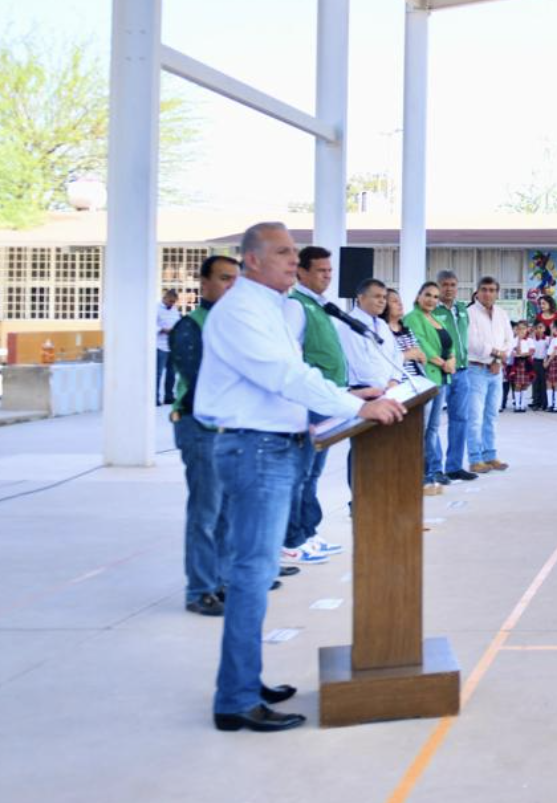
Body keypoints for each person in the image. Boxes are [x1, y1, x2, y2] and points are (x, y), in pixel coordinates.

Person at [195, 222, 403, 732]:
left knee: (255, 572)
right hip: (254, 447)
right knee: (252, 573)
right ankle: (236, 698)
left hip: (276, 444)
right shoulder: (241, 312)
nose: (294, 260)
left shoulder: (275, 309)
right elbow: (285, 377)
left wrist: (350, 403)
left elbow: (294, 379)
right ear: (252, 261)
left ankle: (245, 679)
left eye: (294, 252)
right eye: (283, 252)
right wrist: (356, 406)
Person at [170, 255, 240, 616]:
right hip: (201, 429)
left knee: (227, 512)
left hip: (230, 430)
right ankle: (200, 589)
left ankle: (221, 581)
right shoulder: (191, 326)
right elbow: (201, 387)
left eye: (235, 280)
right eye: (224, 278)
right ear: (204, 283)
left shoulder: (234, 325)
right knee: (206, 511)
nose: (231, 286)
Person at [283, 247, 350, 567]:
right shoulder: (297, 306)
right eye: (320, 270)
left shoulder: (321, 306)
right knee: (301, 472)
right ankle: (293, 539)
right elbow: (292, 357)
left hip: (326, 401)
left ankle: (308, 531)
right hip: (308, 403)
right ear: (302, 273)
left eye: (329, 270)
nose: (327, 275)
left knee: (313, 473)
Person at [406, 282, 456, 491]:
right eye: (427, 295)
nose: (432, 300)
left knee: (433, 429)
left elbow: (449, 342)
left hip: (442, 379)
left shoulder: (435, 318)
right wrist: (442, 362)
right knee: (422, 428)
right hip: (427, 377)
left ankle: (432, 470)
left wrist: (452, 358)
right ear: (418, 296)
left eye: (435, 297)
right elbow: (420, 343)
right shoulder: (412, 318)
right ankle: (418, 472)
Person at [464, 277, 514, 472]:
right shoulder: (469, 313)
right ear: (477, 292)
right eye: (484, 289)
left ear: (497, 293)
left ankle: (491, 455)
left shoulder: (501, 313)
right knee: (475, 417)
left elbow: (510, 340)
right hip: (476, 369)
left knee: (491, 415)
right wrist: (495, 354)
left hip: (496, 371)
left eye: (492, 290)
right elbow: (471, 341)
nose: (488, 293)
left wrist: (499, 360)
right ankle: (475, 459)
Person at [433, 271, 475, 480]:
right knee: (433, 421)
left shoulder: (462, 309)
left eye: (452, 284)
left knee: (460, 418)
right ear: (438, 286)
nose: (449, 288)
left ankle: (454, 465)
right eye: (445, 285)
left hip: (462, 371)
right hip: (440, 372)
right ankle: (435, 468)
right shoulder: (432, 310)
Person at [156, 288, 182, 405]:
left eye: (174, 302)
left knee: (172, 373)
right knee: (158, 373)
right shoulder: (155, 309)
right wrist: (162, 330)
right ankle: (154, 398)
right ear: (165, 298)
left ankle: (169, 396)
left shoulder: (175, 310)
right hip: (160, 345)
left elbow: (178, 322)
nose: (172, 304)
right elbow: (151, 324)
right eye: (170, 301)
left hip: (173, 345)